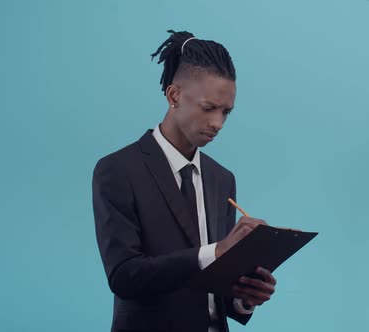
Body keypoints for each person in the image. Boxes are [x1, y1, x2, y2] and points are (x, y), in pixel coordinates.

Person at [92, 29, 277, 332]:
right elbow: (124, 276)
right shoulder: (117, 170)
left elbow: (212, 284)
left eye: (226, 112)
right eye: (208, 108)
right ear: (174, 95)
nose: (217, 123)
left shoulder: (222, 179)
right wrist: (216, 251)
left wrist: (245, 296)